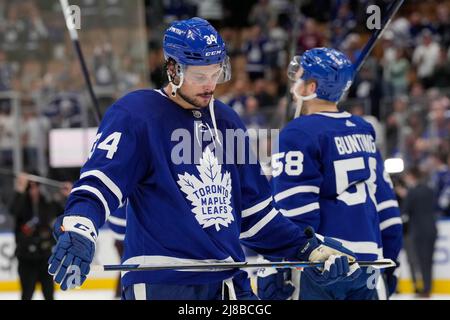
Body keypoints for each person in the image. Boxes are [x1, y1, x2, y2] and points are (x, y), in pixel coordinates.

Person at [48, 18, 361, 300]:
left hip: (229, 284)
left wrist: (310, 248)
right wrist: (80, 225)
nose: (210, 85)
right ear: (173, 69)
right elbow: (99, 183)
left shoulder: (228, 122)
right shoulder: (135, 114)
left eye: (217, 73)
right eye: (200, 76)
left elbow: (257, 219)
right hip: (165, 284)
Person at [257, 48, 403, 300]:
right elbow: (387, 208)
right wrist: (389, 262)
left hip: (320, 263)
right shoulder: (363, 129)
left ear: (311, 86)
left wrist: (276, 265)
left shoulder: (297, 133)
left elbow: (294, 211)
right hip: (369, 263)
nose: (295, 82)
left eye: (300, 77)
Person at [9, 173, 71, 300]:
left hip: (45, 257)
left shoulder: (47, 203)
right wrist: (20, 189)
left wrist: (68, 196)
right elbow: (13, 211)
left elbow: (63, 212)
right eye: (30, 187)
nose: (33, 190)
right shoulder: (22, 204)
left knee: (49, 294)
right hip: (26, 258)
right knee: (26, 294)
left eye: (36, 186)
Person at [402, 167, 437, 298]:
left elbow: (405, 211)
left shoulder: (412, 192)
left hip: (418, 230)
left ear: (411, 176)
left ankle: (426, 289)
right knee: (428, 260)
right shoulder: (429, 190)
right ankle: (428, 287)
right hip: (432, 228)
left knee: (422, 260)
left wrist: (404, 195)